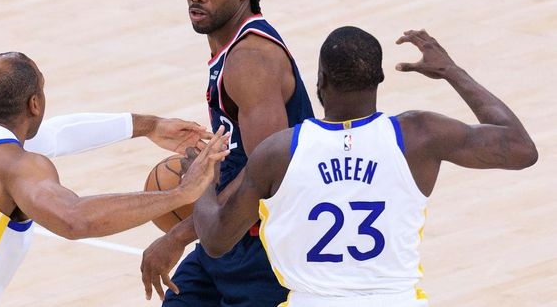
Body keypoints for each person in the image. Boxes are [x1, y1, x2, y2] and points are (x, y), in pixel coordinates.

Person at [194, 28, 538, 307]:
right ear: (380, 78)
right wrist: (450, 71)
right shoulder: (420, 135)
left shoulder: (279, 151)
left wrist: (201, 179)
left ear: (320, 80)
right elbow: (521, 148)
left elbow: (216, 241)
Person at [0, 52, 230, 307]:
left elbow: (60, 133)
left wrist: (150, 126)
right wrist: (181, 194)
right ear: (35, 103)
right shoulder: (14, 164)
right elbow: (75, 218)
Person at [140, 0, 314, 305]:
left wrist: (179, 234)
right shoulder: (232, 50)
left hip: (264, 248)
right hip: (230, 237)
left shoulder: (250, 59)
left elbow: (267, 171)